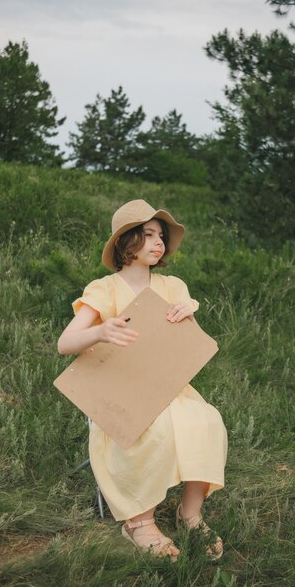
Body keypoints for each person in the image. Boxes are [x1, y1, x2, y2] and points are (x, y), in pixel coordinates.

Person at [57, 199, 227, 561]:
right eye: (148, 234)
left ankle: (190, 514)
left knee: (206, 419)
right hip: (119, 393)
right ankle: (139, 521)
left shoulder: (173, 286)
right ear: (125, 242)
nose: (158, 242)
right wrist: (101, 330)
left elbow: (190, 346)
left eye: (161, 236)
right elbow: (65, 344)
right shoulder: (104, 289)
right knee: (155, 428)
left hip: (167, 385)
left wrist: (188, 317)